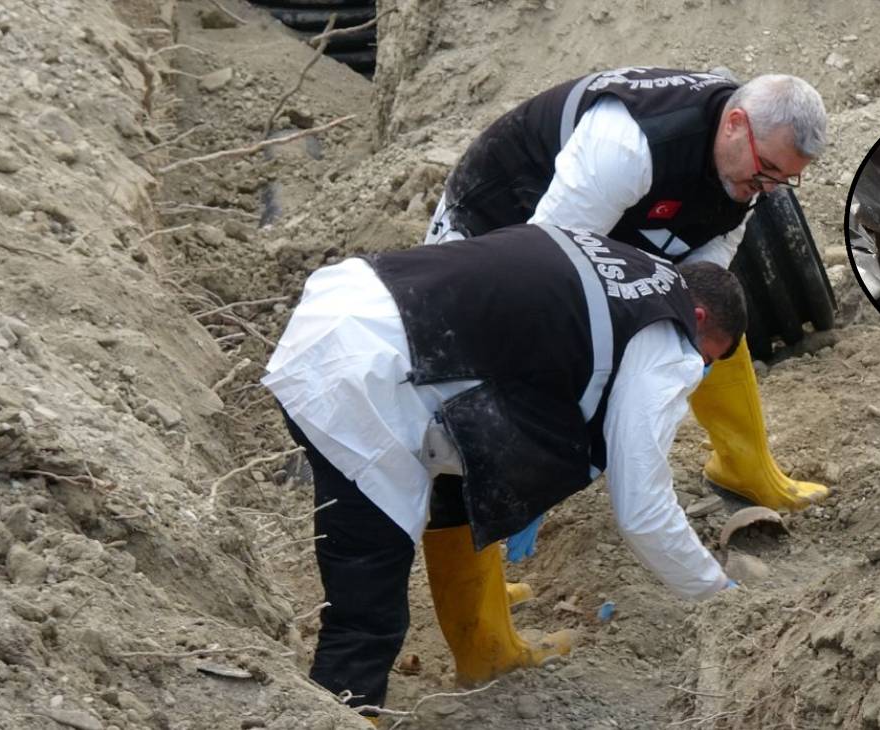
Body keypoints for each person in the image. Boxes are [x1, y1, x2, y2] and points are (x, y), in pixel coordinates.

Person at [262, 223, 746, 709]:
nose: (698, 370)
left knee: (453, 500)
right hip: (363, 380)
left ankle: (486, 653)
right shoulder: (667, 339)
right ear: (698, 316)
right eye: (707, 357)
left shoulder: (633, 267)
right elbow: (643, 508)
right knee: (368, 606)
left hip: (354, 303)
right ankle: (343, 712)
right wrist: (717, 593)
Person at [425, 66, 829, 514]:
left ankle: (745, 470)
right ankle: (477, 581)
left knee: (711, 315)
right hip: (496, 219)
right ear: (735, 124)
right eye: (768, 170)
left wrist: (682, 322)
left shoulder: (747, 167)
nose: (770, 188)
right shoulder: (628, 145)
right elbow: (544, 272)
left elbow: (707, 273)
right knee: (470, 398)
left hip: (612, 217)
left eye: (785, 179)